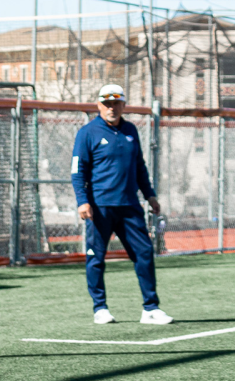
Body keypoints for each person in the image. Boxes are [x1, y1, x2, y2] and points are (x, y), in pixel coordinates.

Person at [71, 84, 172, 325]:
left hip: (129, 206)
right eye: (106, 103)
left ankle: (150, 308)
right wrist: (82, 202)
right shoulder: (87, 132)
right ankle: (100, 308)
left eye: (116, 103)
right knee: (96, 257)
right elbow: (78, 171)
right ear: (98, 105)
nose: (111, 108)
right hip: (100, 208)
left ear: (123, 105)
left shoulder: (130, 131)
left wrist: (150, 195)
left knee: (145, 253)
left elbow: (139, 166)